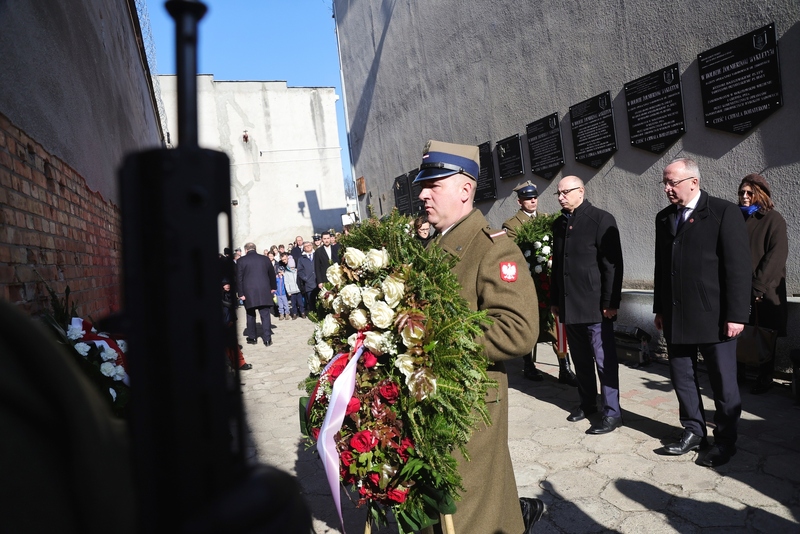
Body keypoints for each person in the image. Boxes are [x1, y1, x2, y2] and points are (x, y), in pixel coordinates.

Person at [415, 140, 544, 533]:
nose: (422, 193)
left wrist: (437, 339)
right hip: (435, 398)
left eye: (433, 184)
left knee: (468, 511)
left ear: (465, 190)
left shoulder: (492, 248)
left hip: (468, 403)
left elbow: (519, 330)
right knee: (470, 503)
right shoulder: (434, 246)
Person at [654, 158, 751, 467]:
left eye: (673, 183)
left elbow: (737, 268)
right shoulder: (664, 218)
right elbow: (661, 268)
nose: (668, 188)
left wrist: (737, 314)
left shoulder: (723, 212)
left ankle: (725, 441)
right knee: (682, 376)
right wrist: (659, 308)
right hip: (676, 314)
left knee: (723, 384)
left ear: (693, 182)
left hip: (715, 316)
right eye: (665, 183)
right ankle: (694, 431)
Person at [550, 176, 624, 435]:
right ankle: (587, 403)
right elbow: (557, 266)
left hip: (596, 307)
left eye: (565, 192)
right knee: (581, 360)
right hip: (570, 307)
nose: (561, 197)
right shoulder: (559, 224)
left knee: (604, 361)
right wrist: (556, 300)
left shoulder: (600, 219)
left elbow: (612, 266)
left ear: (581, 191)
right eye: (558, 193)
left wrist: (610, 302)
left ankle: (612, 412)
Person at [503, 180, 579, 387]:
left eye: (535, 197)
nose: (533, 200)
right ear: (520, 201)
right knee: (530, 323)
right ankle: (528, 365)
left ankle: (565, 367)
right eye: (528, 198)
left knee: (558, 323)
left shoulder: (547, 218)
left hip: (550, 280)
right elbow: (513, 252)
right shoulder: (511, 225)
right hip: (530, 283)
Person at [737, 173, 788, 394]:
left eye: (750, 192)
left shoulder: (772, 219)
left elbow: (776, 256)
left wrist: (757, 286)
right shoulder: (735, 218)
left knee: (764, 334)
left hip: (765, 290)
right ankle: (738, 374)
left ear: (760, 194)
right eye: (741, 192)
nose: (744, 197)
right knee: (738, 330)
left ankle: (764, 377)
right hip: (739, 288)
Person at [236, 242, 278, 346]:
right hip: (264, 291)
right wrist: (273, 287)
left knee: (250, 315)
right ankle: (267, 339)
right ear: (255, 248)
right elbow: (272, 274)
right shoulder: (265, 259)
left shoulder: (241, 261)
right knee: (265, 315)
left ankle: (252, 338)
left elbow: (239, 279)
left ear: (246, 250)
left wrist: (241, 293)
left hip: (248, 292)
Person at [222, 279, 252, 370]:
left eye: (228, 283)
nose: (227, 285)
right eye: (225, 284)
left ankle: (238, 363)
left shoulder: (229, 294)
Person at [296, 241, 316, 318]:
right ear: (304, 248)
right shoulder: (301, 259)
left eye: (309, 245)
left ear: (312, 246)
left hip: (318, 281)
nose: (308, 247)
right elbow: (299, 271)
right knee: (311, 301)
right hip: (308, 283)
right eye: (306, 246)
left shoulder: (316, 255)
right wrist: (305, 278)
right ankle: (314, 315)